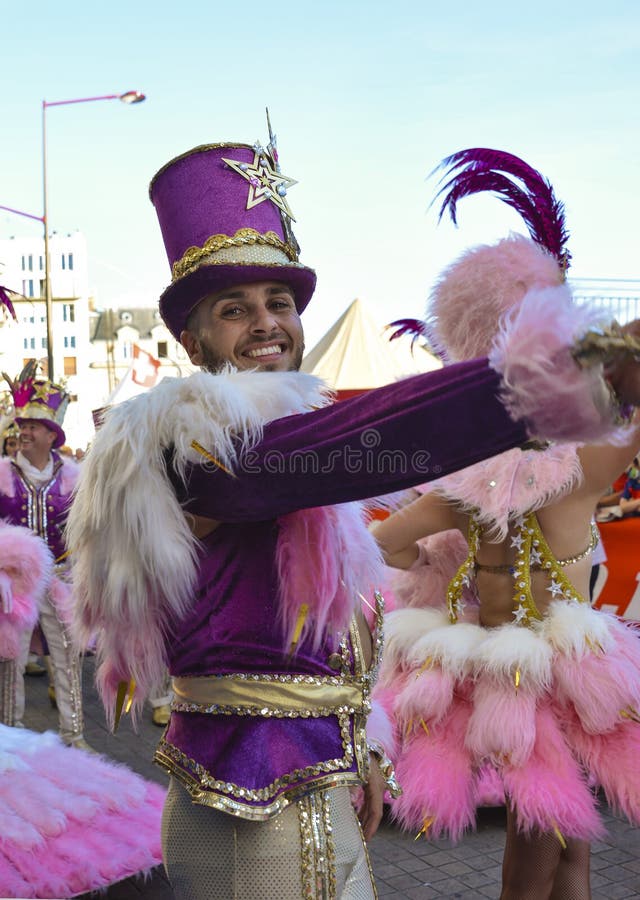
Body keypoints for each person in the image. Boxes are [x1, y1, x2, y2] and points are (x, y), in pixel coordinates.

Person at [67, 128, 640, 900]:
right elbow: (362, 443)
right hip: (249, 808)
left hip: (306, 786)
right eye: (235, 309)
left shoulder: (285, 440)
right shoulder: (188, 442)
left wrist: (362, 751)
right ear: (190, 336)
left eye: (279, 302)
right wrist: (558, 377)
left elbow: (330, 629)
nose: (267, 322)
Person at [370, 149, 640, 900]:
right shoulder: (477, 482)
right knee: (554, 833)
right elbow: (379, 547)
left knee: (561, 835)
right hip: (508, 673)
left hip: (571, 666)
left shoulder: (581, 461)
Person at [0, 363, 91, 750]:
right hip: (15, 584)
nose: (23, 432)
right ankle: (11, 733)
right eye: (21, 426)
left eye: (33, 426)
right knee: (12, 660)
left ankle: (75, 736)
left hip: (60, 578)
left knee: (68, 659)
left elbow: (88, 528)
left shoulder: (73, 476)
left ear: (52, 435)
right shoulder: (2, 473)